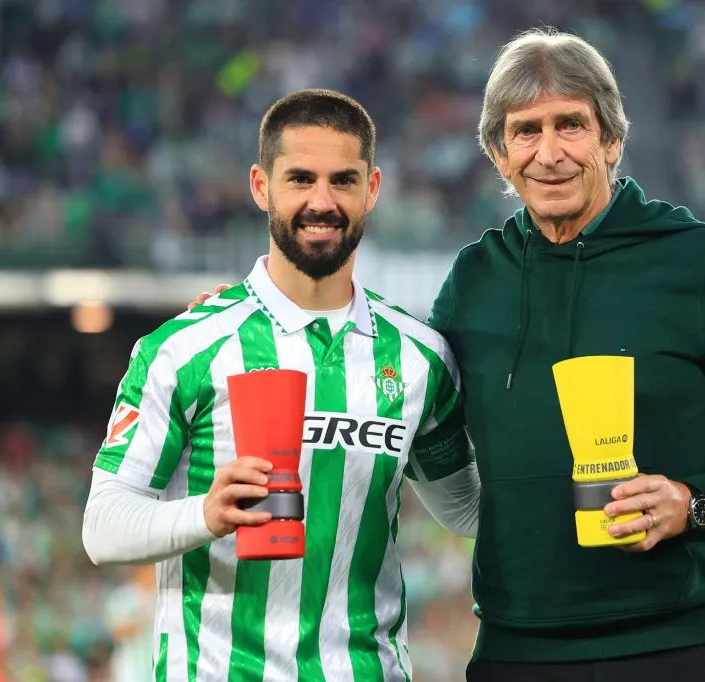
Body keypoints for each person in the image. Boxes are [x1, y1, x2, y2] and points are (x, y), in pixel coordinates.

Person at [191, 29, 705, 682]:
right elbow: (396, 381)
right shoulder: (477, 279)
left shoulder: (702, 264)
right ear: (498, 154)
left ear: (611, 140)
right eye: (525, 131)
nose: (549, 153)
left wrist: (695, 501)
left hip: (683, 646)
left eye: (571, 126)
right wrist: (262, 305)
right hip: (518, 652)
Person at [81, 88, 480, 682]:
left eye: (343, 180)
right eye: (300, 179)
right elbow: (103, 528)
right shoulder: (185, 348)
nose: (322, 201)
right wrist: (207, 514)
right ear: (261, 186)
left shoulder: (420, 357)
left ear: (371, 189)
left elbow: (467, 511)